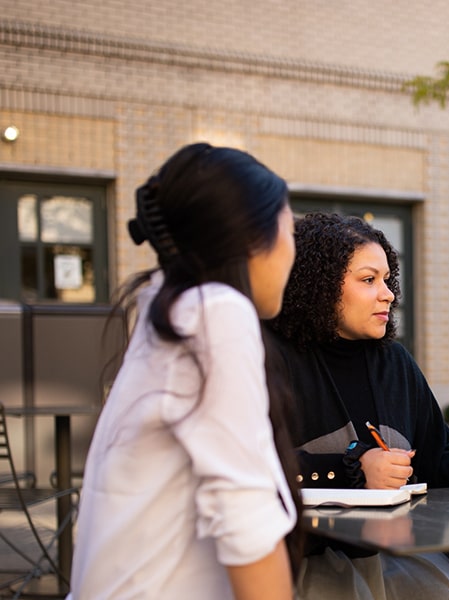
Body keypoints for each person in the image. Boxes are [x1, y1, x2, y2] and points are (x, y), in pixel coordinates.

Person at [68, 143, 303, 599]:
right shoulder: (213, 314)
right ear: (253, 239)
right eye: (290, 229)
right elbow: (248, 525)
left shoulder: (167, 310)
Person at [265, 212, 449, 599]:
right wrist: (353, 470)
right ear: (320, 285)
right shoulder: (269, 360)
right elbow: (249, 469)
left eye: (386, 279)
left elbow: (433, 463)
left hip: (398, 560)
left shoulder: (395, 361)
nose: (388, 293)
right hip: (301, 567)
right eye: (367, 280)